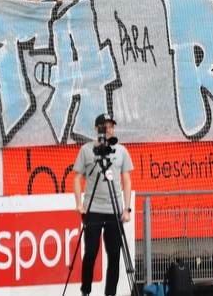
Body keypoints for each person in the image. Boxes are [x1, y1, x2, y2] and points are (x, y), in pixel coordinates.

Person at [72, 113, 133, 296]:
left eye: (111, 127)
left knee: (114, 254)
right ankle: (86, 291)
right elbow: (76, 177)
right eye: (105, 127)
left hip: (114, 210)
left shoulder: (121, 151)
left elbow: (127, 181)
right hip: (93, 209)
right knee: (91, 252)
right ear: (96, 129)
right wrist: (78, 204)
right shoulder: (86, 150)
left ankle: (110, 293)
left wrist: (127, 208)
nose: (109, 131)